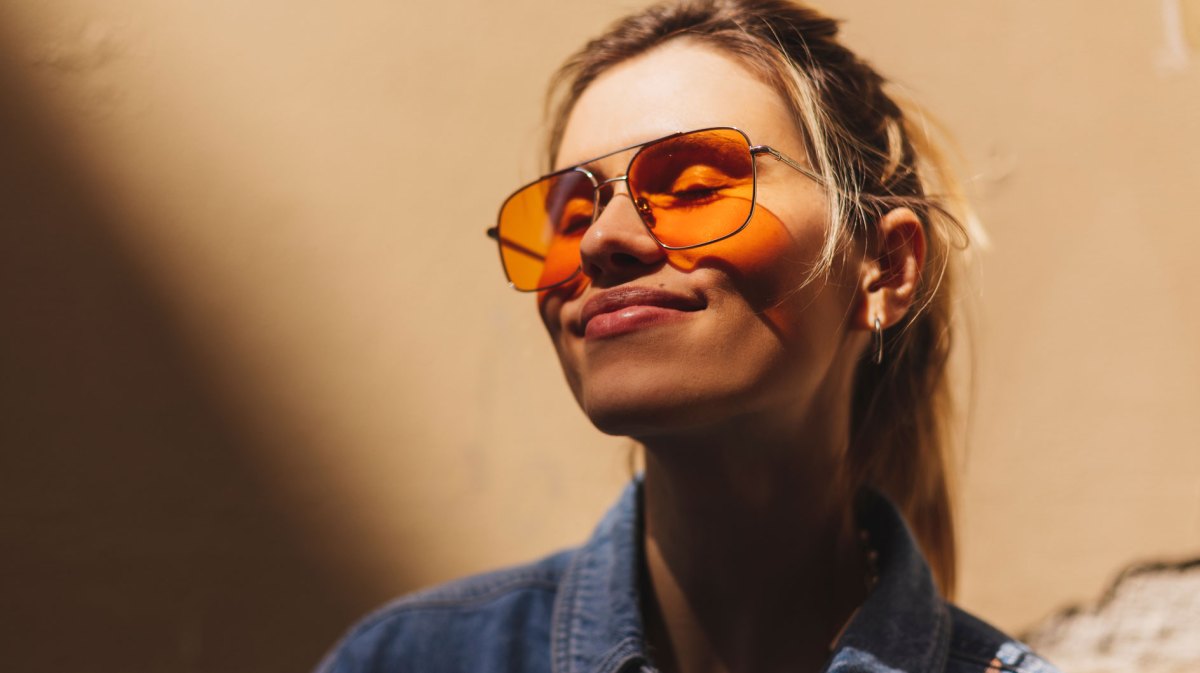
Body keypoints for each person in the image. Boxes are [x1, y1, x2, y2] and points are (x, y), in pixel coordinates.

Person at [317, 1, 1060, 671]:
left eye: (697, 188)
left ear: (885, 267)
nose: (602, 240)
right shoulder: (409, 660)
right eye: (568, 216)